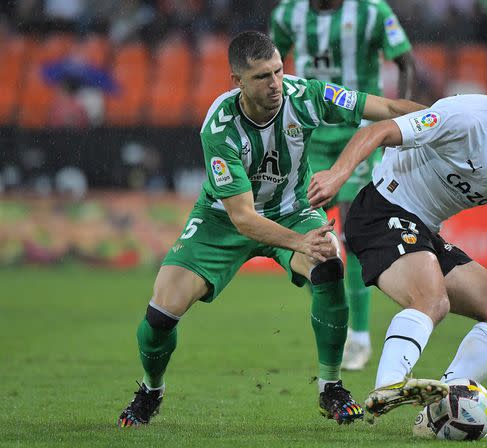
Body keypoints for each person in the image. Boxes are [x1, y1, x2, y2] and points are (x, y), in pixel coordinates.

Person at [117, 31, 425, 427]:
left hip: (292, 209)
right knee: (160, 315)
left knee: (330, 264)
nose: (276, 83)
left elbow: (384, 106)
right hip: (221, 221)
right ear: (237, 82)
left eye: (279, 70)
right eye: (262, 76)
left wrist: (451, 116)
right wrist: (302, 242)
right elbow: (243, 218)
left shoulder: (306, 95)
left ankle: (330, 386)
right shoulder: (220, 127)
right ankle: (150, 390)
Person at [307, 52, 487, 417]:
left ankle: (445, 407)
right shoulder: (468, 115)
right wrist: (338, 174)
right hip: (382, 209)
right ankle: (388, 385)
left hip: (425, 232)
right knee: (431, 299)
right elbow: (377, 130)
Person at [270, 0, 415, 371]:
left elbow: (405, 61)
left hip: (358, 135)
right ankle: (328, 314)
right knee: (307, 232)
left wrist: (398, 126)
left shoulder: (372, 10)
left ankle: (359, 336)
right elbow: (268, 61)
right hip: (308, 136)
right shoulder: (287, 12)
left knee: (351, 231)